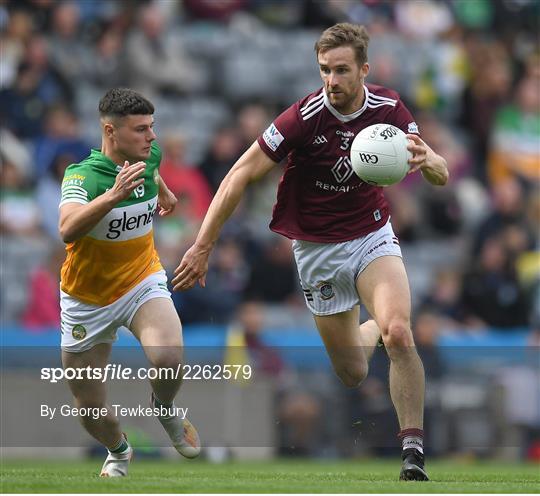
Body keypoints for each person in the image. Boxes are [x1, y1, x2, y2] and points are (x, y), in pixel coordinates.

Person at [173, 23, 449, 481]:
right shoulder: (303, 117)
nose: (331, 81)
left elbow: (435, 170)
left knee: (400, 332)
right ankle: (371, 326)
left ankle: (412, 454)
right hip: (317, 250)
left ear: (364, 69)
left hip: (371, 236)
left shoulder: (390, 109)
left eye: (341, 70)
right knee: (352, 373)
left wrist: (434, 163)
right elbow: (239, 174)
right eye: (324, 70)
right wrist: (203, 244)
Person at [58, 88, 200, 477]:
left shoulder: (148, 154)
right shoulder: (83, 175)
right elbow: (67, 228)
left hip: (141, 279)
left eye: (152, 127)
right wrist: (113, 196)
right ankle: (119, 450)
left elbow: (152, 172)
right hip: (86, 299)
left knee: (169, 356)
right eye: (140, 130)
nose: (152, 138)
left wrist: (164, 189)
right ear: (110, 131)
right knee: (89, 409)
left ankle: (164, 408)